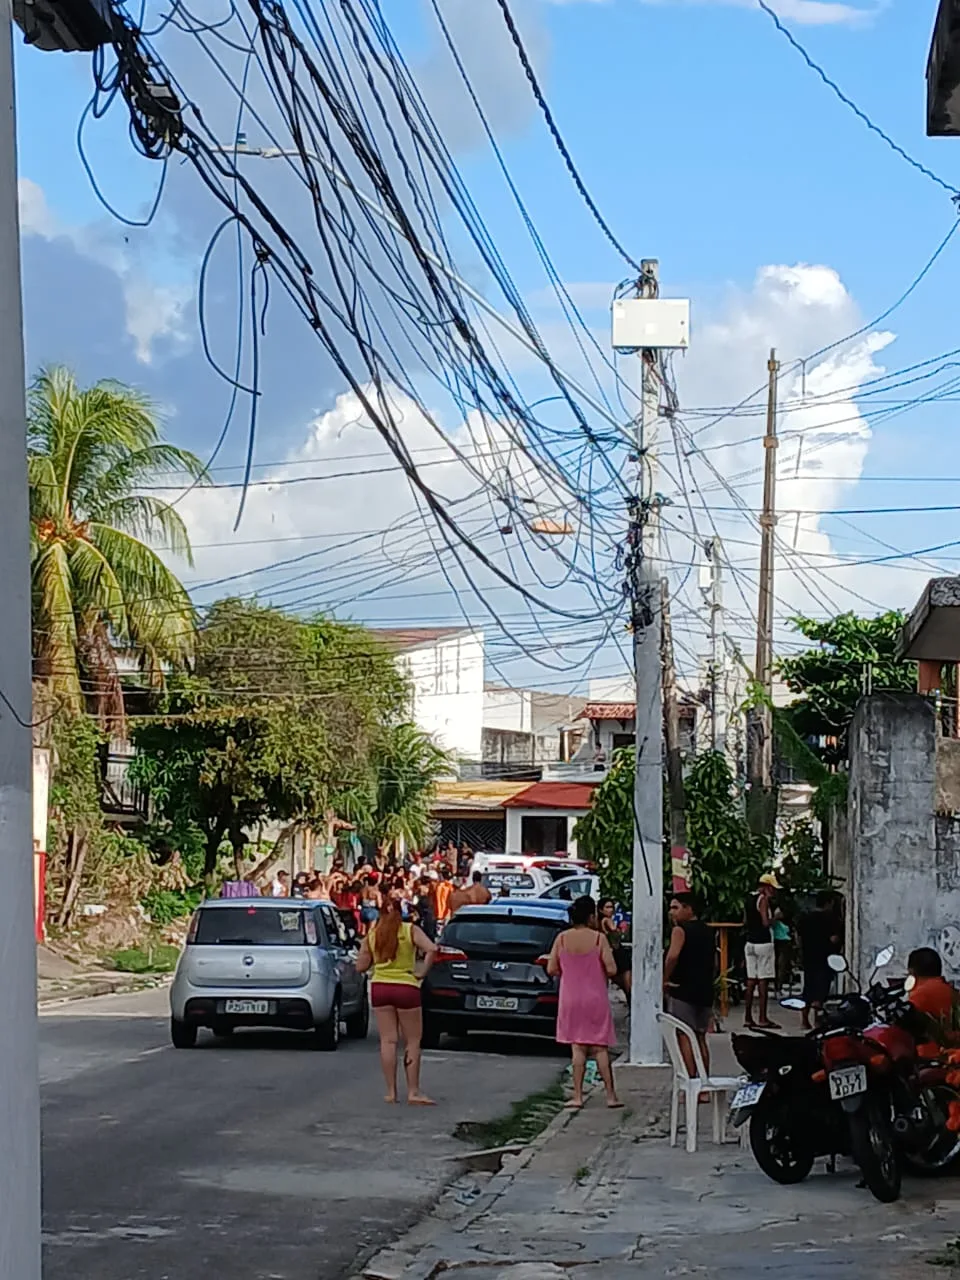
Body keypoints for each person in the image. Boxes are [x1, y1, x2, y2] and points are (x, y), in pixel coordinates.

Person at [356, 895, 438, 1105]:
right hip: (406, 987)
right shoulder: (410, 930)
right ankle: (413, 1091)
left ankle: (391, 1092)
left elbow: (361, 967)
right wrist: (421, 972)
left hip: (380, 987)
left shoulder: (373, 934)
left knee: (388, 1040)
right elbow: (432, 949)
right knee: (412, 1040)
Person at [546, 895, 621, 1110]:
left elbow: (551, 968)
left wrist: (569, 971)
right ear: (591, 916)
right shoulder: (599, 939)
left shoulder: (561, 939)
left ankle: (577, 1096)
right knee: (600, 1048)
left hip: (570, 998)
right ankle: (611, 1096)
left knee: (577, 1048)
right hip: (595, 998)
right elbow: (612, 968)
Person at [663, 893, 716, 1076]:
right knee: (701, 1037)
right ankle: (704, 1084)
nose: (672, 912)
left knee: (684, 1035)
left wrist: (664, 978)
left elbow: (672, 956)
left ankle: (691, 1080)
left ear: (689, 909)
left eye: (675, 907)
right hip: (704, 990)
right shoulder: (708, 931)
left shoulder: (680, 930)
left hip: (682, 989)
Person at [797, 891, 840, 1031]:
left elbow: (798, 938)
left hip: (808, 957)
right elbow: (834, 939)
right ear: (829, 903)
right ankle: (817, 1021)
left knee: (808, 990)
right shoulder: (830, 919)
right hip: (824, 958)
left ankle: (804, 1021)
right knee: (820, 992)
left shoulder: (805, 917)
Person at [743, 872, 780, 1030]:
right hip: (763, 943)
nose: (774, 892)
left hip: (750, 942)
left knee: (751, 980)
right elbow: (766, 923)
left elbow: (745, 921)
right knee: (763, 980)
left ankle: (747, 1017)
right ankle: (763, 1018)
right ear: (766, 887)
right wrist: (776, 917)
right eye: (772, 888)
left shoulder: (748, 899)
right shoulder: (763, 899)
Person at [599, 898, 632, 996]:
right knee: (627, 980)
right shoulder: (607, 920)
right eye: (607, 907)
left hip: (613, 951)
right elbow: (615, 932)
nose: (611, 910)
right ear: (601, 910)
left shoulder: (600, 922)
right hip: (617, 952)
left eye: (612, 907)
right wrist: (622, 929)